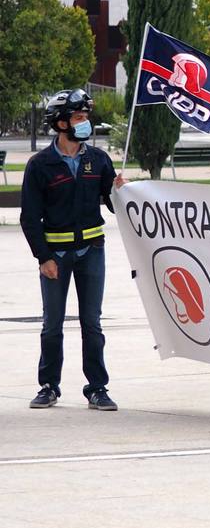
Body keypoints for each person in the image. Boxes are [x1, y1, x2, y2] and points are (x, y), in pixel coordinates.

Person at [23, 89, 124, 411]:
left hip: (91, 252)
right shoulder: (40, 165)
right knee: (52, 325)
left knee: (92, 324)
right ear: (61, 123)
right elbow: (29, 217)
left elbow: (113, 204)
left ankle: (97, 388)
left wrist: (120, 192)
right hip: (55, 257)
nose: (85, 123)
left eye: (85, 117)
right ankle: (48, 386)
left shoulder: (98, 160)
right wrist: (44, 258)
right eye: (79, 117)